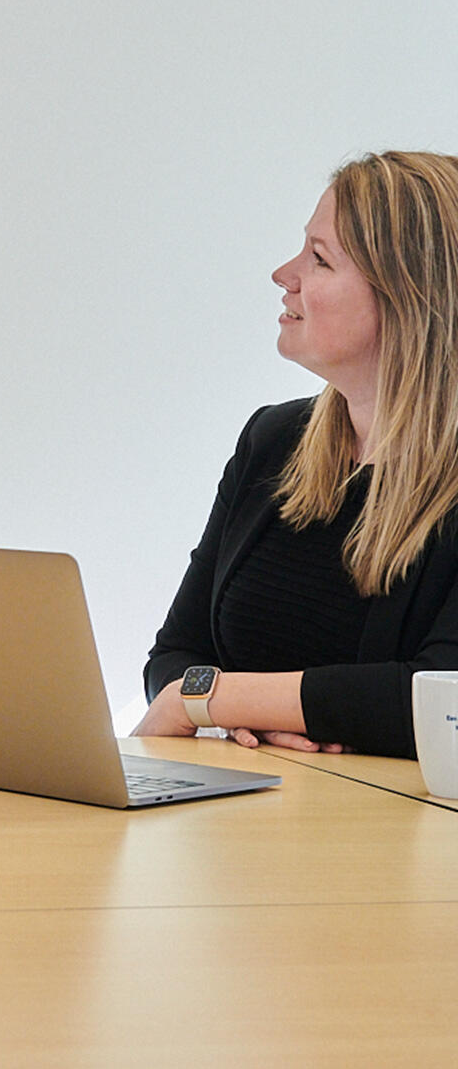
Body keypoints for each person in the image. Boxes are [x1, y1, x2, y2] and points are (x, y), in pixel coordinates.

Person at [136, 151, 458, 760]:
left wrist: (205, 701)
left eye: (320, 259)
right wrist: (224, 711)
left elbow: (433, 695)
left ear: (409, 297)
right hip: (243, 826)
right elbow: (175, 654)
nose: (285, 274)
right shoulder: (271, 440)